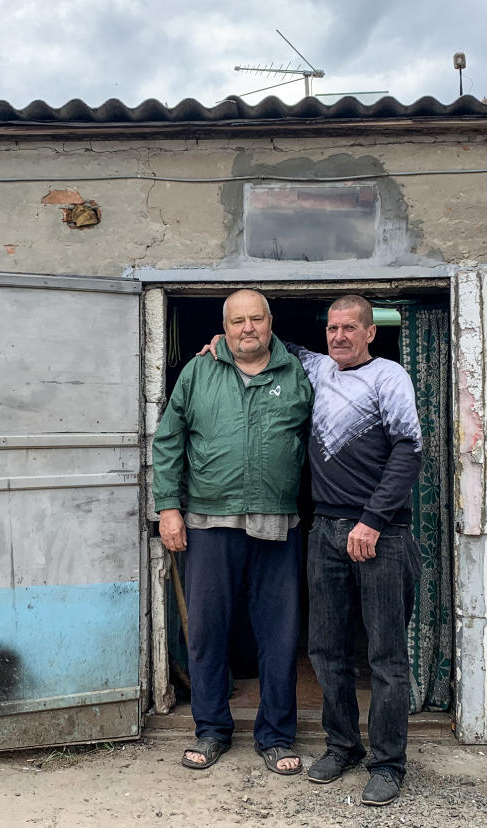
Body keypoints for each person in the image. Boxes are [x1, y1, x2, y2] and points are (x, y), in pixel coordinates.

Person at [203, 294, 423, 806]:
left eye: (351, 328)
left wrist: (372, 521)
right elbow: (264, 343)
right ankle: (343, 744)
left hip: (381, 534)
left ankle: (388, 764)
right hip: (325, 530)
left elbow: (409, 452)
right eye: (333, 328)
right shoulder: (317, 369)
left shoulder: (390, 378)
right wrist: (220, 339)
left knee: (386, 655)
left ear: (371, 333)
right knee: (325, 648)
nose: (340, 336)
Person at [152, 289, 313, 776]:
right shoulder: (198, 371)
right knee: (207, 632)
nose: (248, 328)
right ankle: (212, 729)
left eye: (256, 319)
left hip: (278, 522)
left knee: (280, 635)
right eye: (238, 320)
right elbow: (168, 440)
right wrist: (168, 508)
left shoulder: (301, 373)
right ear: (224, 328)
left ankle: (277, 735)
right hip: (208, 522)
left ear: (270, 322)